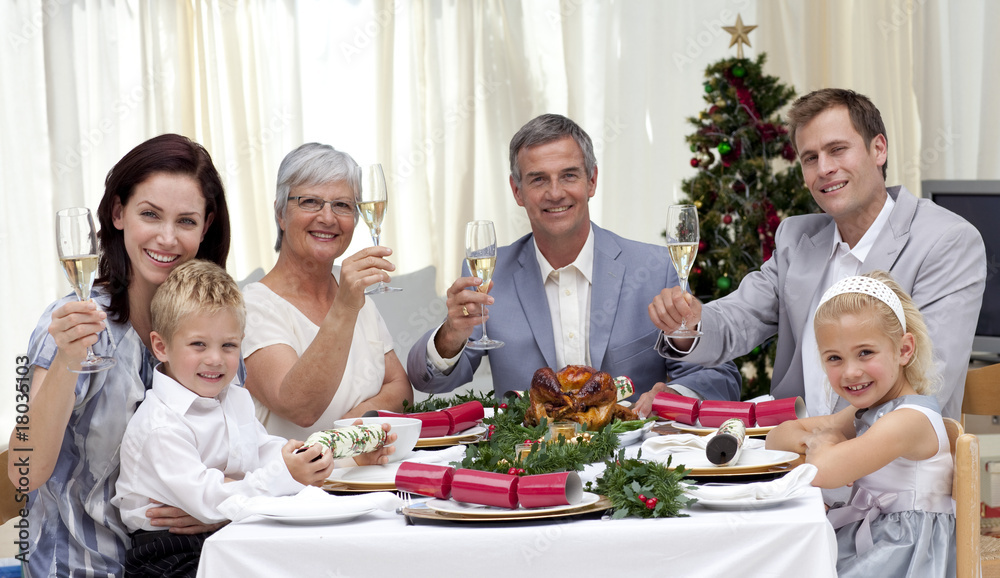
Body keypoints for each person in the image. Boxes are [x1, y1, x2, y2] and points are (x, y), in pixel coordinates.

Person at [647, 88, 986, 419]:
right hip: (794, 457)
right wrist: (690, 325)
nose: (824, 168)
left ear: (878, 149)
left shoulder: (947, 241)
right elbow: (739, 319)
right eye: (810, 158)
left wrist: (822, 442)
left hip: (890, 462)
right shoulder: (797, 238)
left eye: (837, 150)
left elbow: (926, 384)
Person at [8, 134, 233, 577]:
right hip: (82, 568)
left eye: (186, 221)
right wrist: (65, 361)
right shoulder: (72, 323)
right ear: (117, 214)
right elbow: (23, 472)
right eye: (150, 214)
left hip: (192, 563)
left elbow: (235, 456)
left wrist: (217, 507)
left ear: (205, 228)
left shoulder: (215, 329)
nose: (167, 238)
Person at [407, 113, 741, 403]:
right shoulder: (491, 274)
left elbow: (719, 377)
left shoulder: (654, 268)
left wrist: (673, 397)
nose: (555, 193)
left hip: (635, 460)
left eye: (569, 175)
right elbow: (430, 381)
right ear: (517, 191)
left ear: (592, 180)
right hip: (529, 463)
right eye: (538, 179)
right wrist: (452, 333)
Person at [113, 260, 395, 577]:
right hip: (169, 554)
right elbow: (209, 499)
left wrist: (337, 460)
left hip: (228, 532)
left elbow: (266, 453)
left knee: (329, 556)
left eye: (229, 345)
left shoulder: (234, 397)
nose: (215, 359)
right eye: (198, 344)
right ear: (161, 347)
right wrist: (282, 477)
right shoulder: (160, 424)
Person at [766, 271, 955, 577]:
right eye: (834, 358)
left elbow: (823, 470)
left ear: (904, 349)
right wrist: (828, 443)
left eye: (865, 353)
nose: (851, 372)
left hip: (905, 551)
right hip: (871, 537)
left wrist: (826, 444)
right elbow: (778, 437)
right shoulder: (874, 410)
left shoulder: (908, 421)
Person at [242, 143, 413, 441]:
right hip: (294, 486)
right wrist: (345, 307)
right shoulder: (252, 306)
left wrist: (351, 425)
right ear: (281, 214)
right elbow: (299, 407)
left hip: (364, 478)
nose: (328, 217)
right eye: (310, 202)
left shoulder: (351, 290)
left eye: (342, 205)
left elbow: (401, 389)